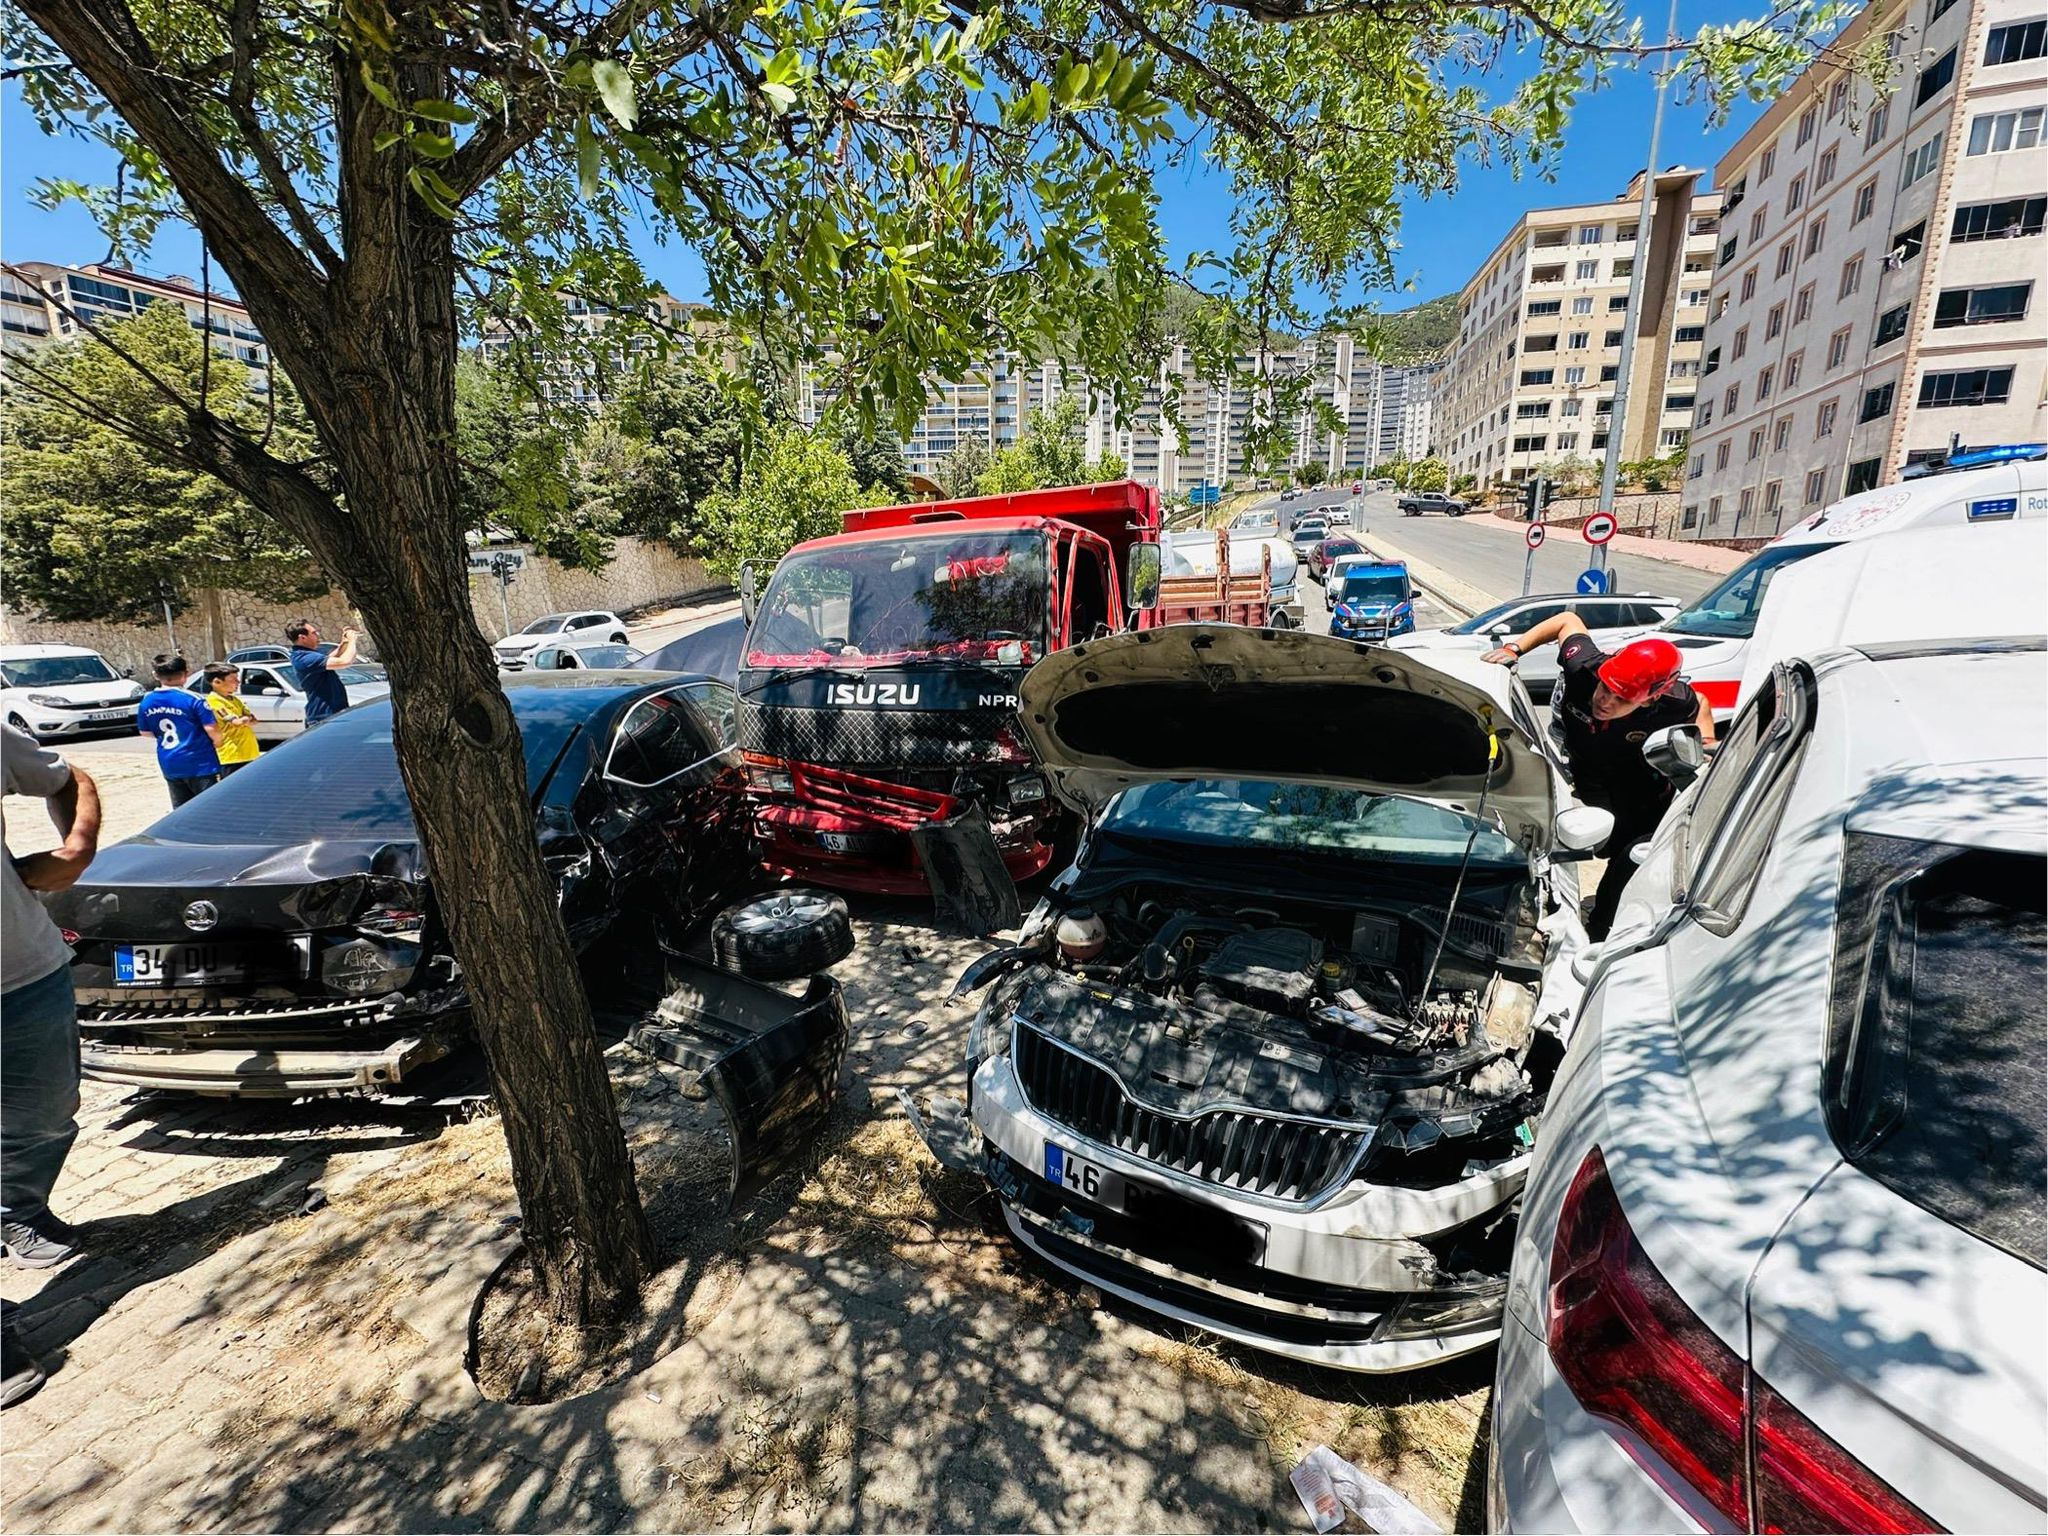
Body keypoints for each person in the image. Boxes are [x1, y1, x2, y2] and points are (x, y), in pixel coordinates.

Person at [1483, 615, 1715, 940]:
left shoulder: (1674, 703)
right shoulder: (1585, 667)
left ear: (1651, 698)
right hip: (1588, 777)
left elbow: (1700, 702)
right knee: (1591, 841)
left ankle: (1601, 928)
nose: (1604, 702)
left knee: (1629, 858)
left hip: (1642, 789)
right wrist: (1514, 648)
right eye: (1606, 689)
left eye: (1621, 699)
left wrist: (1704, 741)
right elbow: (1566, 620)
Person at [2, 722, 101, 1407]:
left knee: (45, 1116)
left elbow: (71, 779)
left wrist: (77, 850)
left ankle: (18, 1211)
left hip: (22, 976)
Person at [136, 654, 222, 807]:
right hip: (200, 763)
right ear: (186, 673)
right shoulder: (193, 699)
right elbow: (211, 727)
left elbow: (145, 732)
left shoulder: (147, 701)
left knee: (181, 808)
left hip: (170, 762)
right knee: (210, 806)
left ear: (155, 675)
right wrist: (218, 742)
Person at [286, 618, 361, 725]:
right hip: (323, 716)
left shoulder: (306, 654)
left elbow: (330, 659)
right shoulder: (304, 657)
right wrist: (353, 640)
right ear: (302, 637)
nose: (317, 635)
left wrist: (344, 643)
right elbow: (345, 661)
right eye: (313, 633)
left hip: (332, 714)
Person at [202, 663, 260, 774]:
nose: (238, 682)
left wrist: (246, 719)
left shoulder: (234, 699)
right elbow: (237, 722)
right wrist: (244, 719)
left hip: (249, 753)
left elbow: (253, 720)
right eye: (233, 679)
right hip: (231, 756)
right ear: (217, 682)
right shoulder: (214, 701)